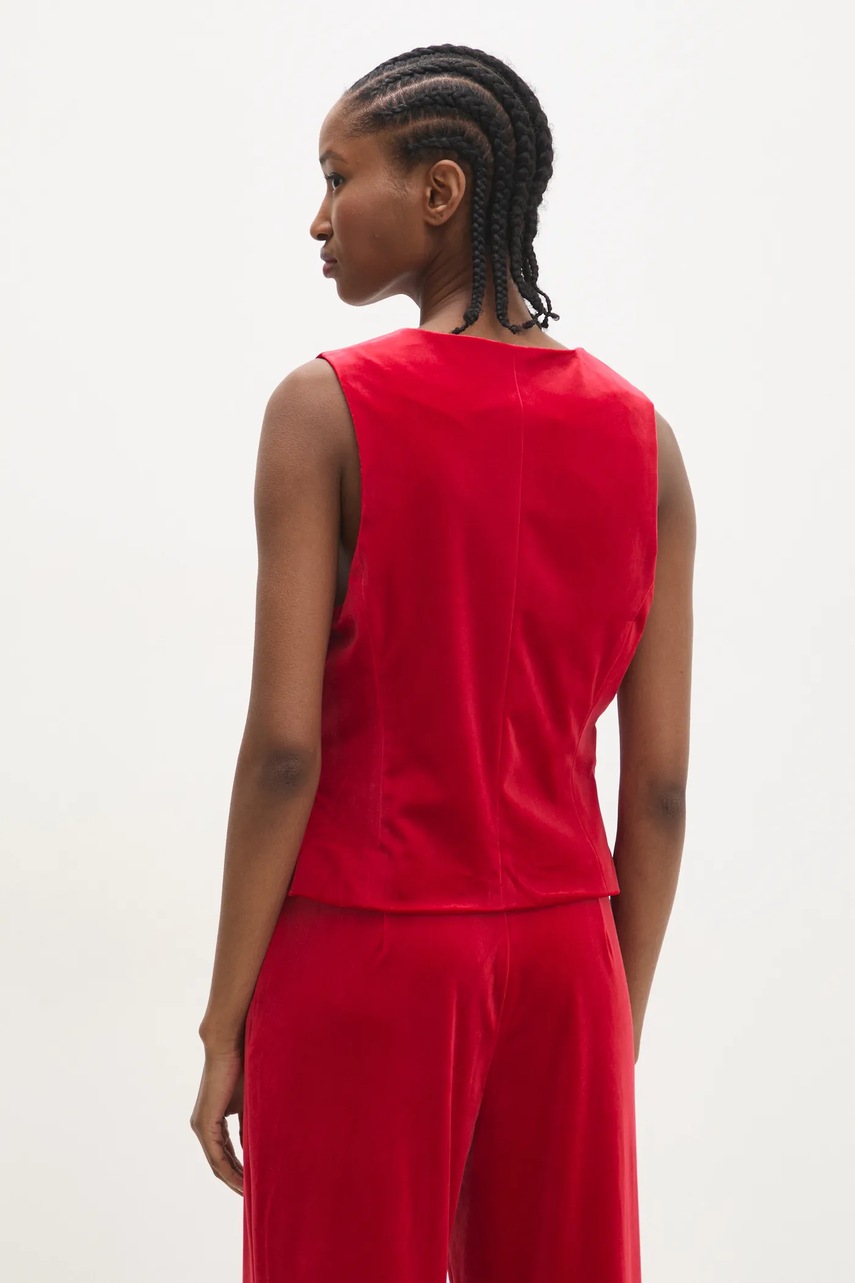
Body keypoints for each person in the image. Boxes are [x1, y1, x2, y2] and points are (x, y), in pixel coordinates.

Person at [190, 42, 695, 1283]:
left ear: (441, 189)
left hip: (369, 941)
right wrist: (610, 1015)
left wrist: (221, 1020)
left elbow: (285, 752)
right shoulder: (647, 442)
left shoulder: (324, 410)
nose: (318, 218)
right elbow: (661, 790)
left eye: (337, 174)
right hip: (570, 955)